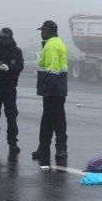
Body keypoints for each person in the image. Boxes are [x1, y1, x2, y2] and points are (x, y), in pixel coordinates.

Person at [32, 20, 68, 159]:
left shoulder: (51, 45)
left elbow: (53, 69)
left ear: (47, 31)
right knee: (50, 119)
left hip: (53, 89)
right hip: (59, 88)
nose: (41, 33)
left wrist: (46, 89)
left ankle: (59, 149)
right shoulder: (58, 42)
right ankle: (45, 148)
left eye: (43, 30)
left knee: (55, 120)